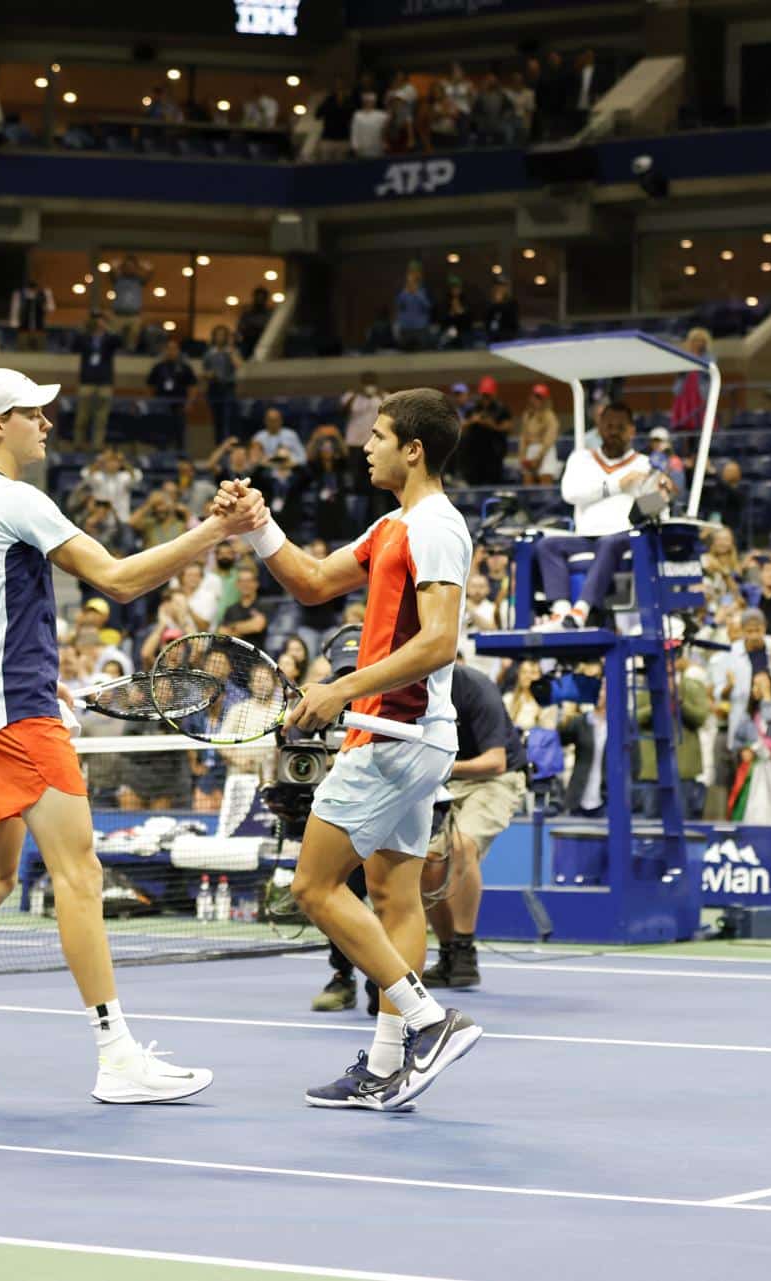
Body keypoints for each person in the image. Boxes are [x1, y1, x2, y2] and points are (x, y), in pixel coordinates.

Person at [0, 367, 265, 1104]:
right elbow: (116, 580)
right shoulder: (17, 499)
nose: (47, 423)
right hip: (14, 715)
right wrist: (218, 529)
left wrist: (39, 673)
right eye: (33, 413)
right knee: (81, 873)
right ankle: (117, 1056)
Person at [232, 386, 480, 1111]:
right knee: (391, 892)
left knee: (312, 886)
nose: (364, 445)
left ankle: (430, 1020)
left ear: (414, 450)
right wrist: (259, 525)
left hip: (393, 736)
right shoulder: (390, 527)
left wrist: (343, 688)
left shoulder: (435, 526)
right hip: (414, 738)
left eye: (378, 435)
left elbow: (440, 641)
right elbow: (309, 582)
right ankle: (383, 1061)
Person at [417, 664, 526, 991]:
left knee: (463, 846)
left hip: (493, 780)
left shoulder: (476, 688)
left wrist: (441, 768)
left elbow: (496, 761)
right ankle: (449, 953)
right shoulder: (408, 692)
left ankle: (465, 950)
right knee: (425, 862)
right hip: (442, 781)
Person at [536, 401, 671, 629]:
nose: (613, 432)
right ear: (599, 428)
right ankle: (560, 611)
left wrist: (661, 496)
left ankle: (581, 611)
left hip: (626, 538)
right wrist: (617, 485)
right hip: (587, 538)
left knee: (609, 543)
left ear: (631, 431)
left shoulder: (644, 464)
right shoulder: (581, 458)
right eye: (609, 426)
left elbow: (660, 510)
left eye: (620, 427)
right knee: (547, 546)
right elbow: (571, 493)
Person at [72, 313, 119, 447]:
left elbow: (119, 341)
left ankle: (97, 445)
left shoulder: (109, 339)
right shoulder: (85, 338)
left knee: (101, 418)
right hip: (86, 381)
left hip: (105, 382)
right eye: (97, 323)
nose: (99, 325)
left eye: (102, 322)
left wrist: (109, 327)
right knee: (82, 416)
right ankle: (78, 444)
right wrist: (84, 327)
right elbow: (74, 346)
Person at [7, 277, 56, 353]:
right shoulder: (20, 296)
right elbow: (15, 309)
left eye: (34, 290)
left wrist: (48, 295)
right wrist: (14, 322)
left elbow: (51, 308)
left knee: (40, 352)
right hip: (24, 329)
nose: (32, 292)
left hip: (39, 330)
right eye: (30, 290)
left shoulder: (42, 296)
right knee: (23, 351)